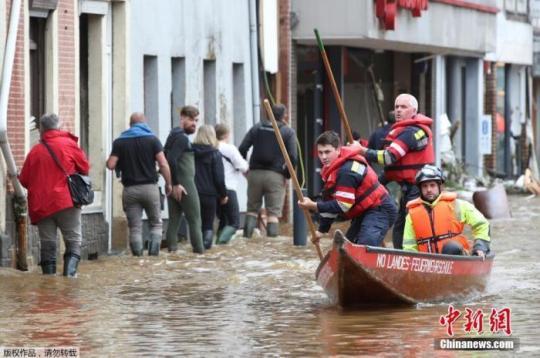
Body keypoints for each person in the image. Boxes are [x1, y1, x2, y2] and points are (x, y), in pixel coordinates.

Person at [356, 94, 434, 249]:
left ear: (414, 110)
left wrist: (362, 150)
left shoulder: (412, 132)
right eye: (396, 106)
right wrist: (374, 185)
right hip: (407, 188)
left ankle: (408, 258)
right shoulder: (403, 131)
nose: (398, 110)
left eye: (403, 107)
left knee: (407, 227)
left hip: (420, 189)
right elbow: (393, 167)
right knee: (400, 226)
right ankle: (398, 256)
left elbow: (389, 157)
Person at [19, 113, 90, 276]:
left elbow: (24, 180)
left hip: (42, 205)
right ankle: (69, 277)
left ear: (42, 129)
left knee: (47, 243)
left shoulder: (35, 152)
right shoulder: (69, 145)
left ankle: (48, 281)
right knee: (73, 240)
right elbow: (84, 169)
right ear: (59, 126)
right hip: (67, 202)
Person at [298, 131, 397, 246]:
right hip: (363, 212)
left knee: (363, 246)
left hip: (380, 209)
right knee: (346, 247)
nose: (323, 157)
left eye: (327, 152)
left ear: (338, 150)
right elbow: (330, 203)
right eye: (320, 153)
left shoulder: (346, 170)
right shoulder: (331, 171)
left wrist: (314, 205)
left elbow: (343, 205)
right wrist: (321, 231)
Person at [106, 112, 172, 257]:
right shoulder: (153, 140)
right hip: (150, 188)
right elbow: (163, 164)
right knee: (156, 223)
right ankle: (153, 257)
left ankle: (138, 259)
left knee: (135, 227)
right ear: (145, 124)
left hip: (130, 190)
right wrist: (169, 183)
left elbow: (111, 164)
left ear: (130, 125)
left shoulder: (120, 142)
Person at [403, 165, 491, 256]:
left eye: (432, 185)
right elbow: (409, 247)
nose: (429, 189)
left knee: (451, 248)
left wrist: (480, 246)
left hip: (457, 257)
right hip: (427, 263)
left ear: (439, 186)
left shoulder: (458, 205)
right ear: (420, 189)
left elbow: (482, 224)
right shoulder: (412, 214)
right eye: (425, 186)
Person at [239, 103, 297, 238]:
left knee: (251, 210)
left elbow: (242, 148)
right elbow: (293, 157)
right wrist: (287, 174)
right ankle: (272, 248)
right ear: (284, 115)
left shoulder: (257, 127)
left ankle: (247, 241)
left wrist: (245, 168)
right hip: (275, 176)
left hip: (254, 174)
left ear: (267, 114)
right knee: (273, 214)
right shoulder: (288, 132)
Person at [164, 105, 204, 254]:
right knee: (195, 220)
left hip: (174, 183)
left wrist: (170, 183)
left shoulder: (172, 135)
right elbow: (172, 159)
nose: (194, 123)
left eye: (196, 120)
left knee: (174, 221)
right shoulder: (181, 137)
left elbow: (165, 158)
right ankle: (199, 255)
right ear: (182, 118)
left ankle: (172, 254)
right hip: (185, 184)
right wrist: (176, 184)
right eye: (191, 119)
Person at [192, 125, 228, 249]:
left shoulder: (190, 152)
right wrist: (223, 195)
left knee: (195, 223)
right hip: (209, 195)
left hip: (192, 193)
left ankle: (195, 249)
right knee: (207, 225)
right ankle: (204, 252)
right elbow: (219, 178)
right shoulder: (215, 154)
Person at [215, 123, 249, 244]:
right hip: (229, 188)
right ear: (226, 134)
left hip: (214, 190)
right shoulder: (230, 148)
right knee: (234, 223)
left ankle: (216, 247)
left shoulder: (211, 147)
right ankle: (220, 244)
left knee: (223, 221)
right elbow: (243, 166)